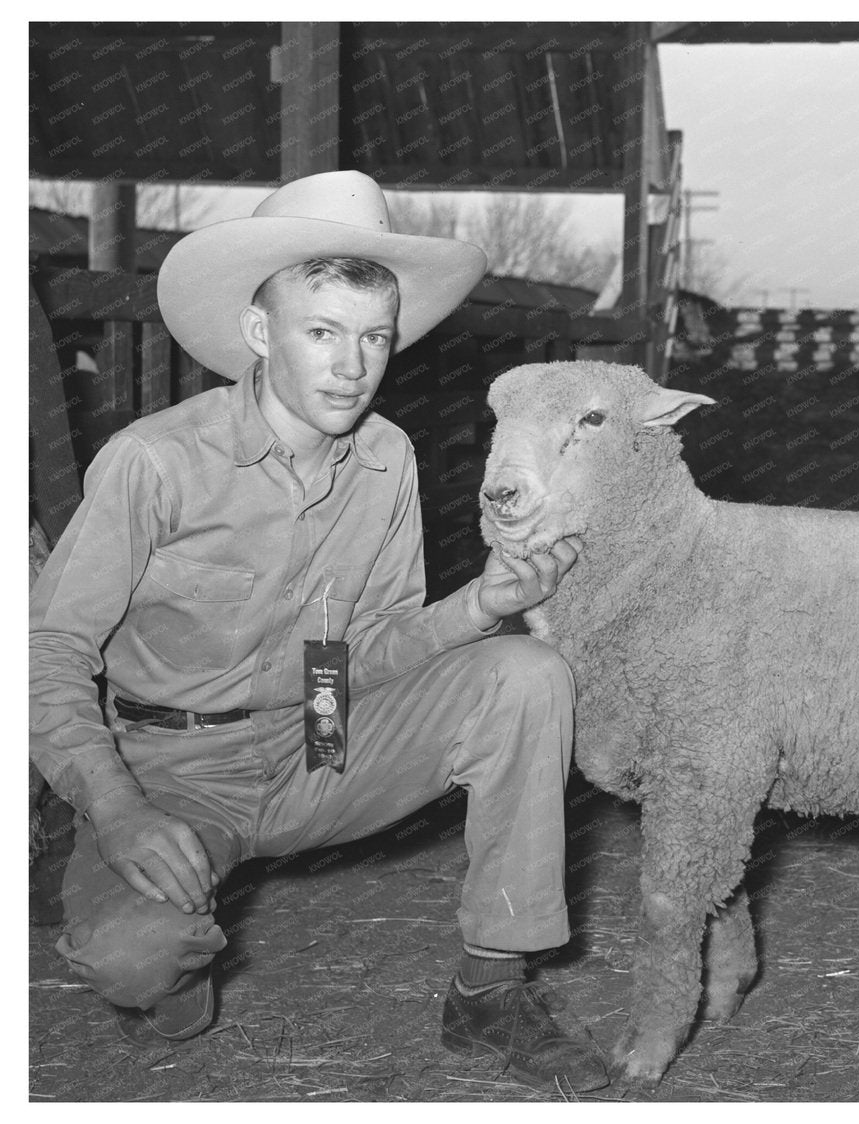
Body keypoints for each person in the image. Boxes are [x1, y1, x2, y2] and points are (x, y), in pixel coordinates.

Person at [29, 170, 608, 1092]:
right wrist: (116, 807)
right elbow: (47, 654)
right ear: (261, 335)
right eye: (323, 333)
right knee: (136, 959)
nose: (354, 365)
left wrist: (482, 605)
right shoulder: (155, 463)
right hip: (174, 771)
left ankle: (491, 990)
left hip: (322, 739)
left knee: (526, 672)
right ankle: (175, 974)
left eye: (374, 337)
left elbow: (356, 654)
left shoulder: (387, 460)